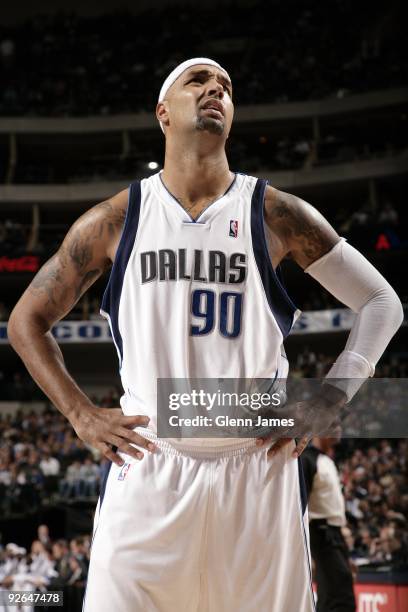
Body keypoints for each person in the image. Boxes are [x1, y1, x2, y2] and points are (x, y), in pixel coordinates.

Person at [8, 58, 403, 612]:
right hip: (151, 464)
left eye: (226, 88)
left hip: (257, 467)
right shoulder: (113, 222)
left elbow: (382, 301)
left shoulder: (275, 213)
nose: (216, 90)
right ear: (163, 113)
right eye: (198, 81)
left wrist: (333, 397)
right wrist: (79, 413)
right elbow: (26, 321)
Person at [301, 436, 356, 612]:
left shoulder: (327, 459)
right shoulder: (307, 458)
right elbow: (300, 505)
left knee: (335, 591)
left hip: (334, 533)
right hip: (320, 533)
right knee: (338, 594)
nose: (338, 427)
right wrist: (307, 550)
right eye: (332, 423)